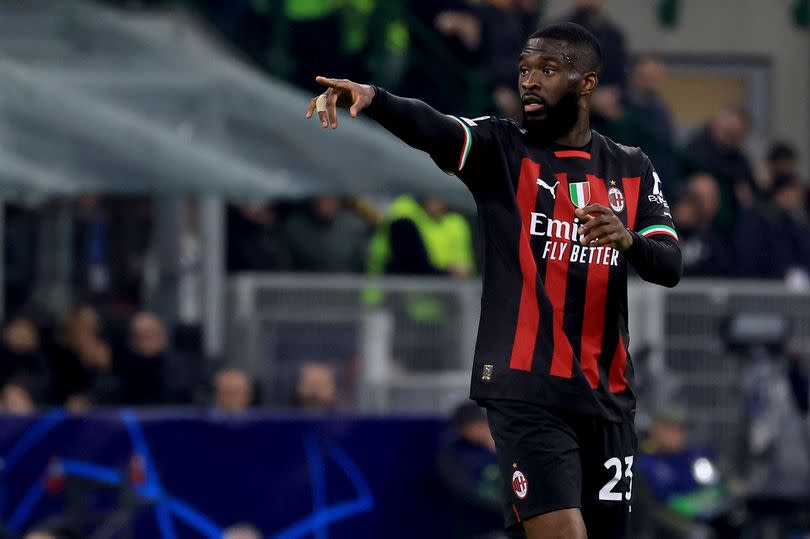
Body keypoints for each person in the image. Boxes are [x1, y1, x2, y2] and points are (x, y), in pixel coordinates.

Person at [306, 21, 681, 539]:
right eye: (525, 69)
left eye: (548, 70)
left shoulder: (632, 168)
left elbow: (669, 265)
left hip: (607, 396)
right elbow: (434, 127)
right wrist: (375, 97)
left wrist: (629, 241)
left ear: (586, 83)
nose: (530, 81)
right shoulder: (501, 149)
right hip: (525, 390)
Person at [437, 402, 503, 539]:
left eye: (483, 424)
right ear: (461, 429)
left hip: (513, 525)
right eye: (475, 425)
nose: (482, 428)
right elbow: (466, 492)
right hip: (477, 527)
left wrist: (498, 449)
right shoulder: (453, 455)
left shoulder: (503, 448)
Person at [685, 107, 756, 229]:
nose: (734, 138)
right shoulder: (698, 146)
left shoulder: (737, 155)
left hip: (733, 217)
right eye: (731, 133)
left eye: (739, 135)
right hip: (707, 216)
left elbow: (749, 182)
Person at [281, 195, 368, 273]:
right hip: (304, 287)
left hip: (348, 287)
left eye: (330, 196)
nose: (325, 202)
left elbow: (365, 266)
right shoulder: (295, 228)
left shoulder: (355, 226)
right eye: (320, 196)